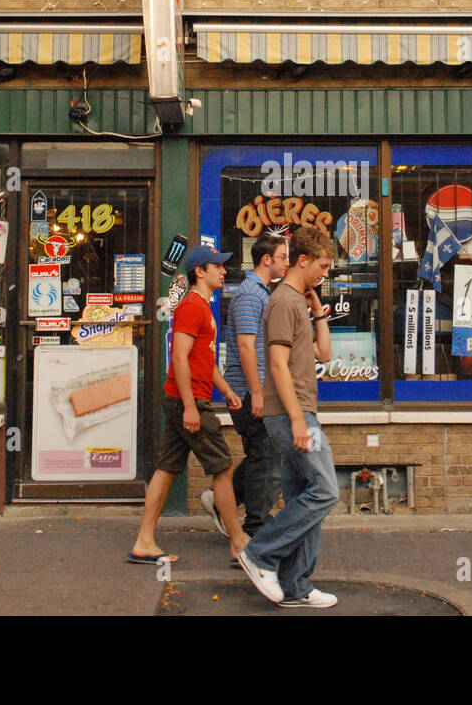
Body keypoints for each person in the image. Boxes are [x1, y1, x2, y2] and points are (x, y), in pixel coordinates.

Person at [236, 226, 339, 608]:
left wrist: (318, 313)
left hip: (301, 410)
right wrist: (298, 420)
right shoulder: (281, 301)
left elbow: (323, 355)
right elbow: (277, 365)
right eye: (323, 266)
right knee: (326, 491)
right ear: (302, 260)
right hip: (292, 414)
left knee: (304, 495)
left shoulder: (297, 302)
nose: (325, 273)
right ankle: (259, 552)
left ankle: (297, 585)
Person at [129, 245, 249, 566]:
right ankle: (239, 542)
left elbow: (203, 360)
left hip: (186, 398)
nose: (224, 271)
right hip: (188, 400)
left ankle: (144, 542)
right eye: (217, 267)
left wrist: (225, 390)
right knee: (223, 467)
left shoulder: (202, 308)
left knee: (167, 468)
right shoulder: (192, 307)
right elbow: (179, 357)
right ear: (200, 271)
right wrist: (191, 407)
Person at [210, 233, 289, 538]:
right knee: (265, 457)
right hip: (248, 391)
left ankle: (223, 500)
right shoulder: (250, 295)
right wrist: (256, 391)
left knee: (264, 455)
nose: (286, 263)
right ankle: (256, 526)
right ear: (266, 259)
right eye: (282, 258)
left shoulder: (262, 292)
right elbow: (245, 345)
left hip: (258, 390)